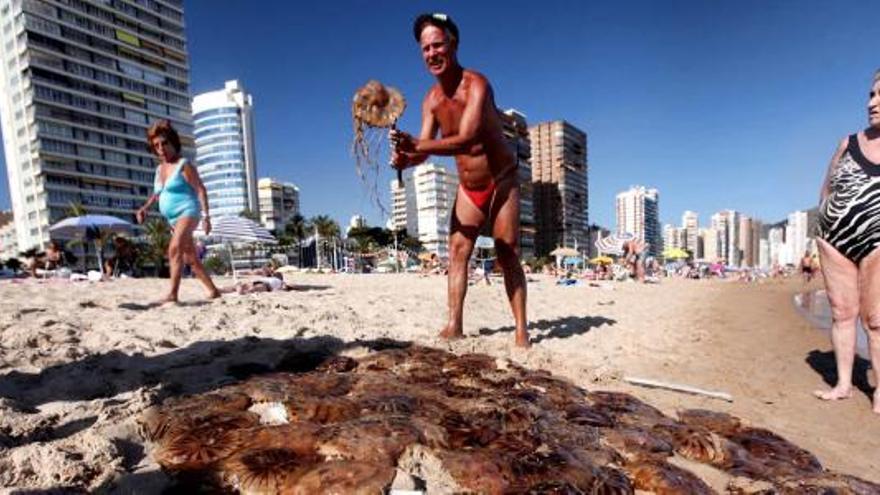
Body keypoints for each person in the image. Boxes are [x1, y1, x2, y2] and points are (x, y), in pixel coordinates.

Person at [391, 13, 529, 347]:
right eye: (425, 48)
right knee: (456, 250)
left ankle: (522, 329)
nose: (431, 53)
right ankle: (454, 324)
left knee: (506, 251)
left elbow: (467, 138)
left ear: (453, 43)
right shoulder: (431, 100)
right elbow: (424, 151)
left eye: (437, 44)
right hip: (470, 187)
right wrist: (406, 158)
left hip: (501, 179)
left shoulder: (477, 84)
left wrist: (417, 145)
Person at [813, 69, 880, 413]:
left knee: (876, 319)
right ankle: (842, 384)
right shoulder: (848, 142)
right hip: (834, 239)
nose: (873, 103)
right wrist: (825, 222)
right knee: (842, 312)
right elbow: (826, 188)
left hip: (877, 241)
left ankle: (879, 392)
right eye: (871, 94)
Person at [136, 120, 221, 304]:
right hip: (172, 218)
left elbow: (200, 189)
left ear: (173, 143)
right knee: (190, 258)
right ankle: (213, 291)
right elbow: (158, 194)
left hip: (188, 211)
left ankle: (172, 294)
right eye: (156, 145)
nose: (161, 148)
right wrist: (145, 208)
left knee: (174, 248)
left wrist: (207, 217)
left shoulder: (184, 165)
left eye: (164, 143)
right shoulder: (159, 170)